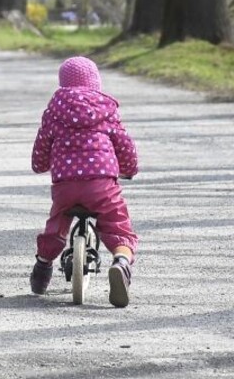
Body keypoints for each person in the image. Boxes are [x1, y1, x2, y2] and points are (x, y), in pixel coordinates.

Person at [29, 56, 139, 308]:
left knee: (56, 226)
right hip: (101, 183)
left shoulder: (55, 111)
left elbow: (42, 146)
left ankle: (42, 267)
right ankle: (121, 263)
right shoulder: (106, 110)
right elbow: (124, 144)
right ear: (96, 83)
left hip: (65, 184)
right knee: (118, 226)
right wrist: (129, 168)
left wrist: (40, 165)